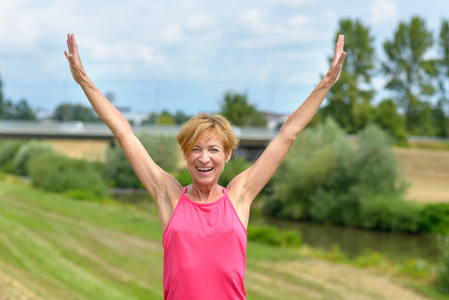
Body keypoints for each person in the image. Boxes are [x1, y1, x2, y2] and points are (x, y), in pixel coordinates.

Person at [64, 33, 346, 299]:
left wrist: (326, 84)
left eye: (213, 150)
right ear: (186, 156)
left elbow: (287, 135)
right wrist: (84, 81)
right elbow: (124, 133)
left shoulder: (240, 196)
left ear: (227, 155)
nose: (204, 158)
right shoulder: (169, 196)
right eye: (195, 150)